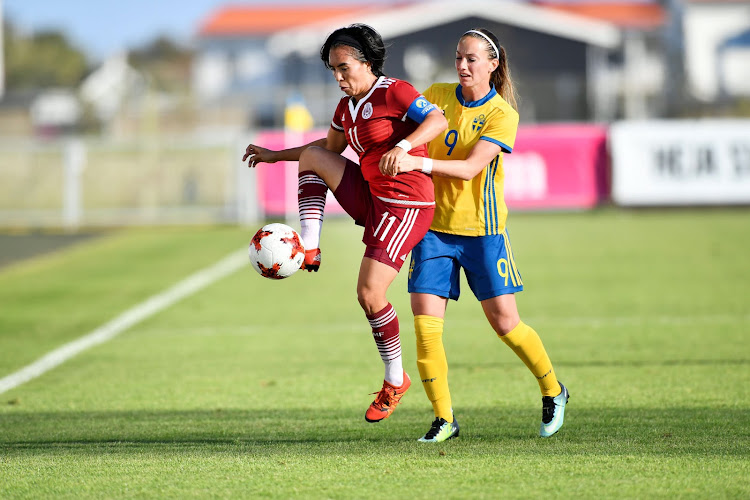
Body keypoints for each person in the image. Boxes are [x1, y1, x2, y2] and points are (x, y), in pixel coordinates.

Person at [242, 24, 448, 423]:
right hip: (374, 199)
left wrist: (404, 146)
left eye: (343, 68)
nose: (338, 77)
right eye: (332, 70)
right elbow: (326, 151)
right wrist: (273, 155)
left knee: (370, 295)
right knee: (313, 159)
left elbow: (437, 121)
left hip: (406, 204)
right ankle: (310, 244)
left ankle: (395, 380)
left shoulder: (395, 91)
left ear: (366, 63)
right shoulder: (345, 108)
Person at [387, 28, 569, 442]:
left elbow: (470, 169)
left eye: (471, 59)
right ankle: (444, 419)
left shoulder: (503, 114)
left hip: (483, 232)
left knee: (506, 323)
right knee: (426, 327)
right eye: (458, 58)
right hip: (432, 230)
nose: (463, 66)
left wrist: (418, 165)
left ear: (493, 64)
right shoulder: (436, 94)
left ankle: (554, 390)